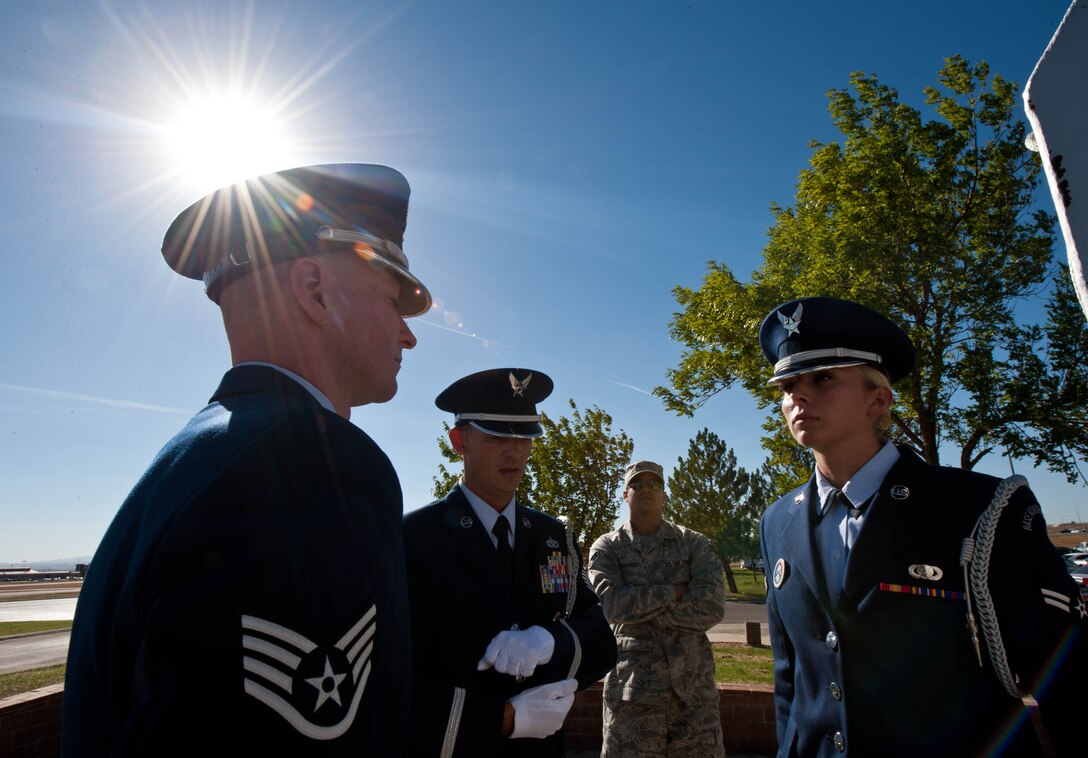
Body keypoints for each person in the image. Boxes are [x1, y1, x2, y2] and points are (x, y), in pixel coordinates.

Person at [62, 163, 430, 756]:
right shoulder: (311, 464)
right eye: (392, 299)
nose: (409, 335)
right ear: (314, 291)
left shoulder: (198, 452)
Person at [758, 296, 1085, 757]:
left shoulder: (979, 507)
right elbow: (789, 678)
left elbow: (1062, 672)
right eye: (788, 385)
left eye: (824, 378)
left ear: (879, 398)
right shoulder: (778, 521)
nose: (798, 396)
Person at [402, 368, 618, 757]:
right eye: (497, 435)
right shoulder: (413, 538)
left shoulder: (553, 536)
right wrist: (499, 718)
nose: (515, 451)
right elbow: (394, 676)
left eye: (526, 436)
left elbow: (602, 641)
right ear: (458, 440)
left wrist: (550, 643)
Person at [588, 460, 726, 757]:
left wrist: (638, 605)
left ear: (664, 495)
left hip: (694, 700)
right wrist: (676, 591)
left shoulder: (693, 544)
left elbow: (712, 606)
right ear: (625, 494)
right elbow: (611, 607)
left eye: (655, 484)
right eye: (637, 484)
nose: (646, 489)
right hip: (632, 699)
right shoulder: (607, 547)